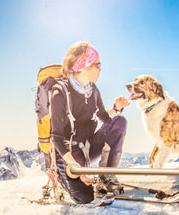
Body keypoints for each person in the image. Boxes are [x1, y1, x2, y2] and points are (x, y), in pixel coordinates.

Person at [48, 41, 130, 203]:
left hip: (87, 147)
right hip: (68, 154)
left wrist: (116, 108)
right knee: (85, 197)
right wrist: (77, 170)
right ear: (84, 66)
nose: (100, 69)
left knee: (119, 121)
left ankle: (106, 177)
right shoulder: (60, 92)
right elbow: (55, 137)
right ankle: (63, 178)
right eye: (97, 64)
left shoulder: (93, 91)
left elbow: (104, 119)